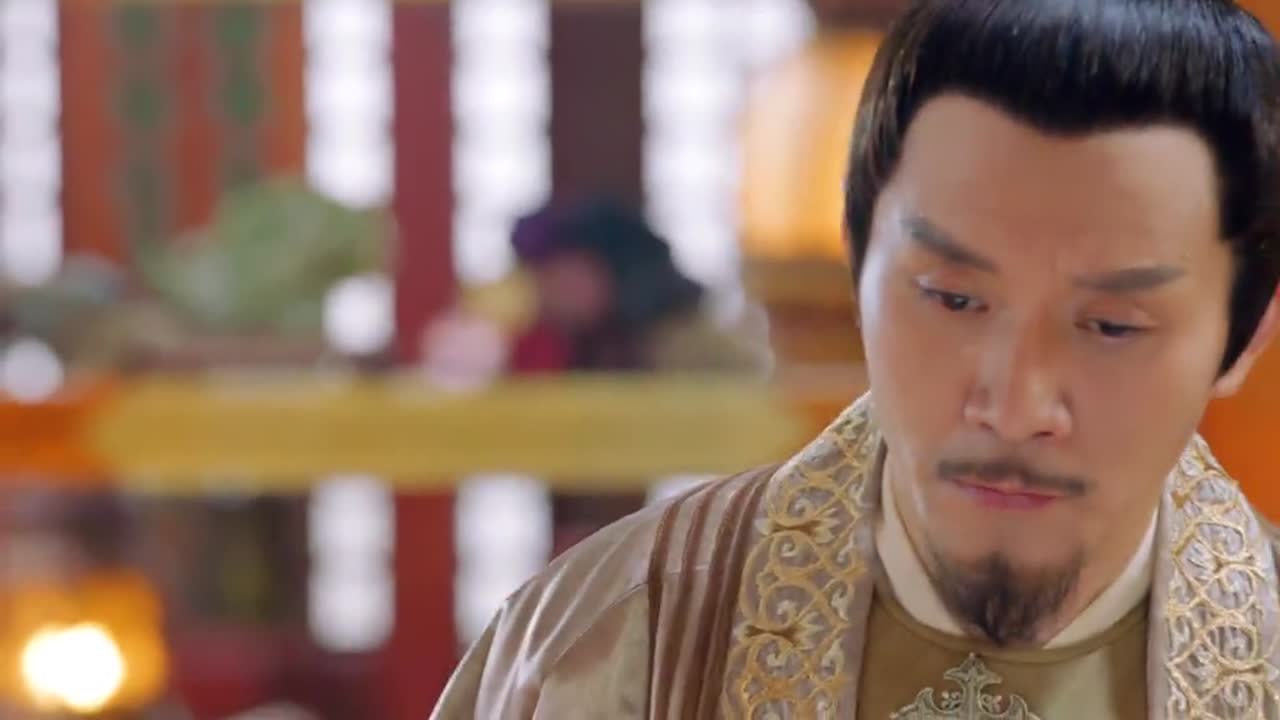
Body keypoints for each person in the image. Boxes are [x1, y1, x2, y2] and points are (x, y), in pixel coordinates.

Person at [431, 1, 1280, 717]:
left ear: (1245, 336)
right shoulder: (611, 642)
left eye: (1112, 326)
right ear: (858, 266)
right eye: (952, 299)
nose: (1014, 405)